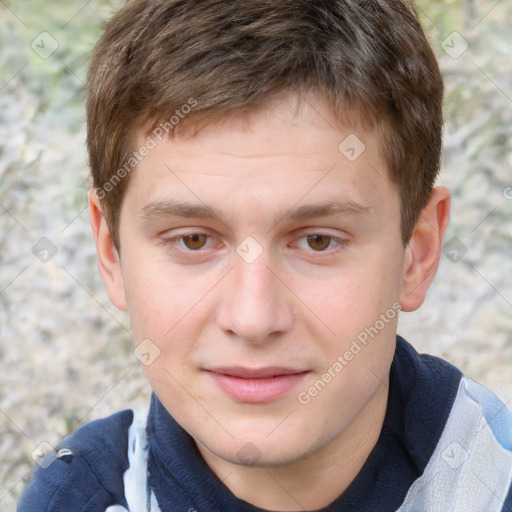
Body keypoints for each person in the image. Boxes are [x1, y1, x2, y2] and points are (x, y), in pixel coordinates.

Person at [18, 0, 512, 510]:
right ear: (112, 253)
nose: (253, 319)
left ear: (418, 252)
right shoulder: (72, 498)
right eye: (193, 240)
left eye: (318, 240)